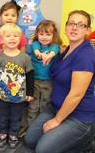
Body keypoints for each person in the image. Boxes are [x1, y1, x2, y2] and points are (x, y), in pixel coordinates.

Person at [24, 10, 95, 153]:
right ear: (65, 27)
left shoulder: (86, 55)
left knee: (43, 150)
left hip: (79, 117)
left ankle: (88, 143)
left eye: (81, 25)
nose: (75, 27)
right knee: (30, 140)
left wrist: (57, 120)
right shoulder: (67, 49)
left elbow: (76, 94)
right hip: (55, 107)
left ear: (88, 30)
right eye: (71, 23)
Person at [0, 23, 34, 149]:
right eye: (8, 36)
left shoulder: (24, 57)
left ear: (20, 39)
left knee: (16, 117)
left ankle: (13, 135)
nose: (12, 38)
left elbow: (30, 75)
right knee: (1, 116)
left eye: (15, 36)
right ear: (2, 40)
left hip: (19, 96)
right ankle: (2, 134)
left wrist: (30, 93)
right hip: (2, 96)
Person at [26, 20, 62, 127]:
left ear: (53, 35)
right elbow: (35, 50)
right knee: (33, 106)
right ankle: (30, 128)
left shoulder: (55, 46)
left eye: (48, 34)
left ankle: (41, 128)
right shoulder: (35, 43)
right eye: (41, 34)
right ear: (37, 34)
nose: (44, 37)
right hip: (34, 81)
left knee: (44, 106)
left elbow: (54, 51)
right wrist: (41, 55)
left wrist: (49, 55)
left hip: (48, 82)